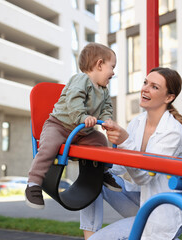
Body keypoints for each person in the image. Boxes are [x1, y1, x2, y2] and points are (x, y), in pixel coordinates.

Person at [80, 67, 182, 240]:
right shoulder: (137, 122)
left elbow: (143, 177)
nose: (145, 89)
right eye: (145, 83)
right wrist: (95, 160)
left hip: (162, 213)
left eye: (154, 87)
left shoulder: (173, 132)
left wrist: (124, 141)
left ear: (169, 97)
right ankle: (90, 235)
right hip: (140, 201)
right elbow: (118, 168)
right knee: (94, 176)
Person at [25, 42, 122, 210]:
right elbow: (73, 101)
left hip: (82, 133)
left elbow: (106, 108)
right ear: (99, 64)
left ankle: (103, 172)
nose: (113, 72)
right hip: (59, 125)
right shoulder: (81, 79)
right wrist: (82, 117)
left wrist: (107, 121)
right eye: (112, 67)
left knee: (99, 139)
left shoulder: (104, 90)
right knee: (49, 146)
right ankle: (33, 184)